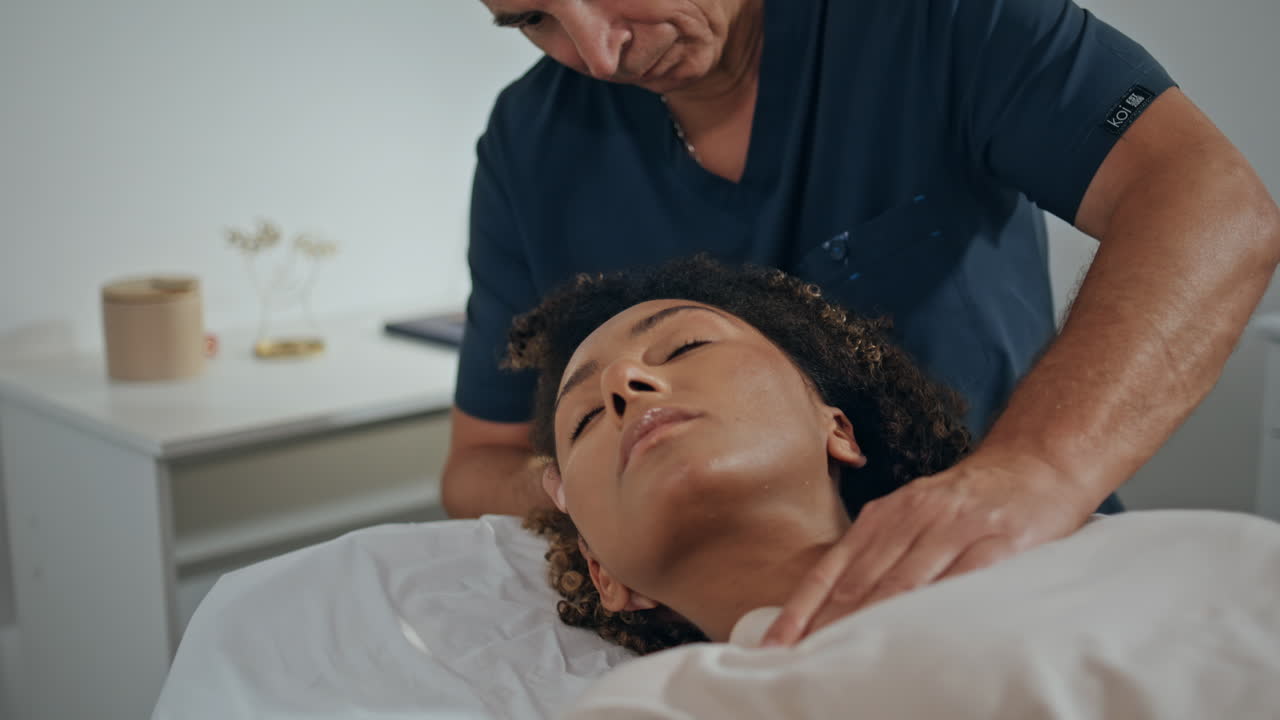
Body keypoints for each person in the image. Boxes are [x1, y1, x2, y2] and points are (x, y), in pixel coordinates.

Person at [444, 0, 1280, 644]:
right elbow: (479, 464)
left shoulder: (931, 24)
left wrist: (1034, 471)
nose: (599, 53)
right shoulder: (532, 143)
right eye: (532, 19)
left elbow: (1211, 203)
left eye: (688, 345)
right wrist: (602, 483)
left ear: (837, 425)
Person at [513, 258, 1280, 719]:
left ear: (838, 430)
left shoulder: (1146, 558)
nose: (624, 382)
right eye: (586, 419)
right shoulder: (657, 708)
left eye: (685, 345)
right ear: (604, 573)